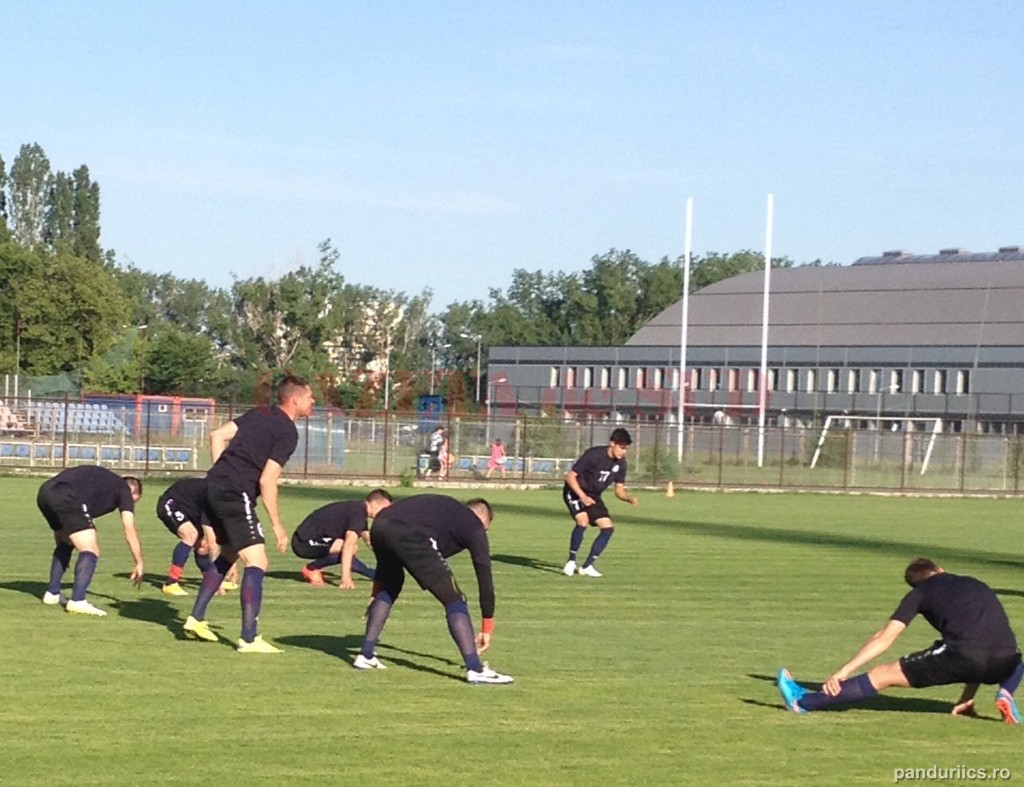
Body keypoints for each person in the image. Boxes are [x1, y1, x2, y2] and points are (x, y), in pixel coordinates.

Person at [777, 557, 1023, 724]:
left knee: (882, 674)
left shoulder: (919, 593)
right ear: (939, 570)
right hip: (1007, 661)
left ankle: (802, 701)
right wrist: (966, 698)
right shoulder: (975, 583)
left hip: (964, 654)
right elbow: (984, 641)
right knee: (1012, 654)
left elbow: (885, 638)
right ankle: (1006, 692)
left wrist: (844, 671)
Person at [182, 374, 315, 653]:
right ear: (295, 399)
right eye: (310, 397)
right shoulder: (288, 431)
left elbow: (216, 435)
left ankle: (196, 618)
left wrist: (223, 471)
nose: (313, 401)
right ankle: (249, 638)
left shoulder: (258, 413)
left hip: (212, 486)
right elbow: (268, 480)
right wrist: (278, 526)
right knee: (257, 562)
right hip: (234, 492)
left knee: (229, 553)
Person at [353, 494, 513, 684]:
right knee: (455, 599)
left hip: (379, 526)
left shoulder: (446, 514)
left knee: (391, 585)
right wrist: (487, 626)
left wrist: (375, 592)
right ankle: (475, 668)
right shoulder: (474, 526)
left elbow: (427, 551)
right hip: (408, 533)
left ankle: (366, 655)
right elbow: (484, 578)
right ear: (483, 520)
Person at [38, 466, 144, 617]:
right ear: (132, 491)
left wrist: (62, 554)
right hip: (68, 496)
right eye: (133, 502)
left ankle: (52, 593)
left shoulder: (103, 482)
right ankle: (78, 600)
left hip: (45, 492)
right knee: (90, 550)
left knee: (67, 542)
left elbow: (62, 533)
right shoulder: (124, 489)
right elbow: (129, 528)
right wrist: (139, 561)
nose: (129, 505)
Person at [561, 428, 638, 578]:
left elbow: (619, 490)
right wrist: (582, 496)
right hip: (575, 491)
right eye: (621, 448)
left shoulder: (621, 464)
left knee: (608, 527)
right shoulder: (594, 455)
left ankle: (587, 566)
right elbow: (570, 477)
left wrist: (628, 498)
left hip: (594, 495)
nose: (623, 452)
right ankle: (571, 561)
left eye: (626, 449)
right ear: (612, 444)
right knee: (582, 521)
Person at [292, 488, 393, 588]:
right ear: (374, 503)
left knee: (348, 552)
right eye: (384, 509)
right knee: (349, 548)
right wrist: (346, 578)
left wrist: (389, 557)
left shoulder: (358, 509)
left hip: (313, 540)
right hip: (303, 542)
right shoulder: (358, 514)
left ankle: (377, 576)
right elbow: (348, 545)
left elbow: (370, 540)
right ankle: (311, 568)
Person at [156, 477, 214, 596]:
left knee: (203, 546)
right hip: (172, 503)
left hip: (190, 510)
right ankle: (170, 583)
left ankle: (210, 582)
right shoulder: (213, 495)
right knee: (191, 535)